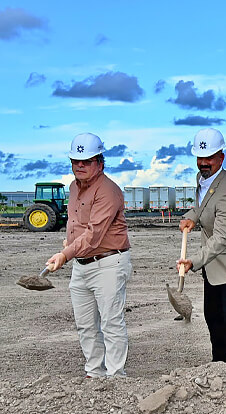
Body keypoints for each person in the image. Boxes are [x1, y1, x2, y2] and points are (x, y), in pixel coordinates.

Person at [46, 133, 132, 378]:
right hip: (82, 263)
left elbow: (94, 234)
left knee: (111, 322)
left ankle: (115, 375)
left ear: (100, 163)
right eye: (76, 161)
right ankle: (94, 372)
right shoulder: (73, 187)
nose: (80, 165)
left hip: (108, 263)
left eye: (87, 161)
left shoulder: (108, 191)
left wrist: (65, 254)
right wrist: (70, 242)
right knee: (85, 324)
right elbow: (76, 223)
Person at [177, 128, 226, 362]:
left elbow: (222, 237)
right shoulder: (202, 178)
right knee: (213, 315)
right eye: (200, 157)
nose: (203, 163)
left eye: (209, 158)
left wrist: (193, 261)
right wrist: (192, 216)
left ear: (221, 158)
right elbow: (203, 206)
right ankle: (219, 364)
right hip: (214, 260)